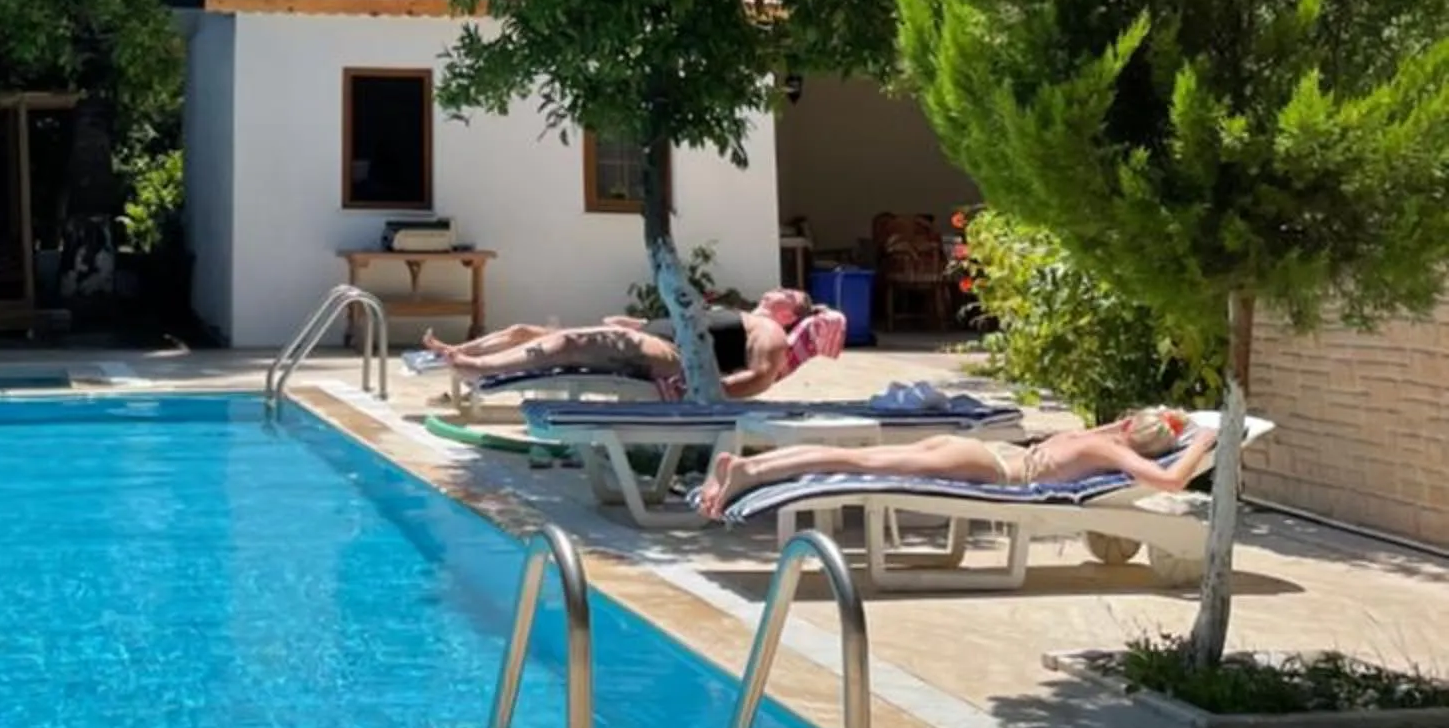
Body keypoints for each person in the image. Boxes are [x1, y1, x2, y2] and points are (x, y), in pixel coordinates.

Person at [696, 405, 1213, 519]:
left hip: (977, 450)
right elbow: (1171, 481)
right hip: (992, 470)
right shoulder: (1111, 450)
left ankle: (754, 467)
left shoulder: (1096, 434)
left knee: (858, 458)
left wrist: (1171, 422)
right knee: (862, 465)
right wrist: (1204, 440)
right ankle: (753, 472)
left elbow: (1125, 430)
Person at [428, 289, 839, 401]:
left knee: (570, 342)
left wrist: (698, 390)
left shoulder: (769, 332)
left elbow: (760, 378)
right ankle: (464, 352)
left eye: (791, 293)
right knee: (526, 332)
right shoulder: (745, 314)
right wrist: (638, 323)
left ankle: (474, 368)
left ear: (791, 314)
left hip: (673, 358)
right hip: (653, 336)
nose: (779, 289)